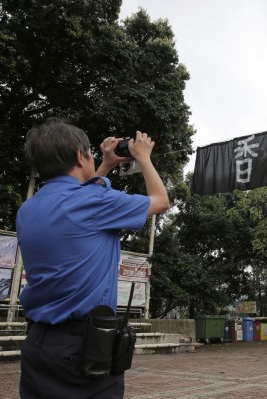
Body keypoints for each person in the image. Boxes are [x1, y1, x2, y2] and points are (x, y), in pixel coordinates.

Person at [17, 118, 169, 399]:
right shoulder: (95, 204)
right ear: (79, 156)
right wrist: (143, 157)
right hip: (82, 352)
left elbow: (82, 199)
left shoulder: (28, 209)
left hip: (39, 345)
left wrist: (107, 164)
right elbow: (160, 200)